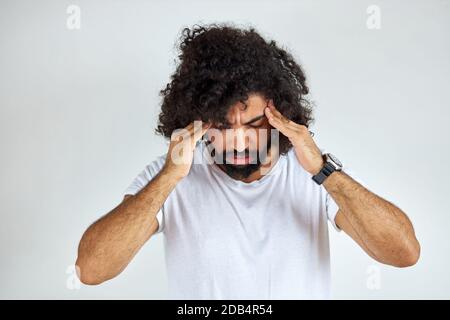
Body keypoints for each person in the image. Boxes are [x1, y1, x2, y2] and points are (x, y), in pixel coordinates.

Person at [75, 24, 420, 299]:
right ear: (199, 122)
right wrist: (169, 178)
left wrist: (322, 170)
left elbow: (404, 253)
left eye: (254, 125)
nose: (239, 139)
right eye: (223, 126)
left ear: (278, 117)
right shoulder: (172, 175)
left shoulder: (315, 173)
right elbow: (91, 270)